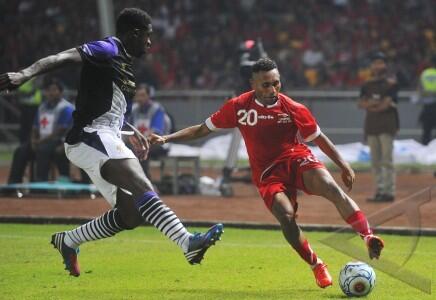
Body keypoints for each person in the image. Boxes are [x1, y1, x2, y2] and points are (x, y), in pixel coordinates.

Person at [0, 8, 223, 277]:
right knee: (142, 186)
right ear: (134, 33)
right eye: (148, 36)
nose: (150, 43)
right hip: (91, 135)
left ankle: (69, 241)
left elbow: (106, 105)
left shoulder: (125, 63)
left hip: (104, 136)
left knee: (131, 216)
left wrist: (127, 130)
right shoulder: (107, 48)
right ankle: (187, 242)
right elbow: (62, 57)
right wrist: (25, 74)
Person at [150, 58, 385, 289]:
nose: (273, 89)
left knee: (331, 188)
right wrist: (166, 137)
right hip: (267, 174)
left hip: (296, 159)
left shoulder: (293, 108)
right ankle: (315, 264)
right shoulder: (238, 107)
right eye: (266, 84)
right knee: (286, 216)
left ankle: (367, 236)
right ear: (252, 84)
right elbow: (202, 129)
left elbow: (319, 138)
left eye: (276, 83)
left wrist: (344, 165)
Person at [8, 78, 73, 183]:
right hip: (41, 141)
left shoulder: (66, 108)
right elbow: (35, 127)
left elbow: (59, 131)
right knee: (20, 151)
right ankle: (14, 182)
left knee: (43, 149)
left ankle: (40, 182)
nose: (50, 93)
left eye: (54, 90)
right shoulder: (42, 107)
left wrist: (39, 142)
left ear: (61, 92)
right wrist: (33, 141)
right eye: (48, 90)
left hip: (59, 142)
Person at [358, 52, 399, 202]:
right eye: (375, 63)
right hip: (372, 126)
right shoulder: (367, 84)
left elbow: (385, 105)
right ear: (371, 66)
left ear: (385, 65)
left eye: (380, 62)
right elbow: (360, 104)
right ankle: (380, 191)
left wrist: (371, 105)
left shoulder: (391, 84)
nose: (377, 66)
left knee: (387, 160)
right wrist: (374, 104)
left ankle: (389, 192)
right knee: (375, 162)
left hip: (387, 125)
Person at [129, 83, 171, 178]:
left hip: (159, 143)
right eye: (138, 95)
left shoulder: (157, 110)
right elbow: (128, 128)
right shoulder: (134, 109)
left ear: (149, 96)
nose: (140, 98)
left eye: (143, 95)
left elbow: (156, 132)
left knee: (142, 150)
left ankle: (146, 181)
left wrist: (140, 142)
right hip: (139, 143)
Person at [416, 54, 436, 146]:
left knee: (426, 132)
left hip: (427, 107)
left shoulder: (424, 74)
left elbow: (420, 90)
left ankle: (425, 152)